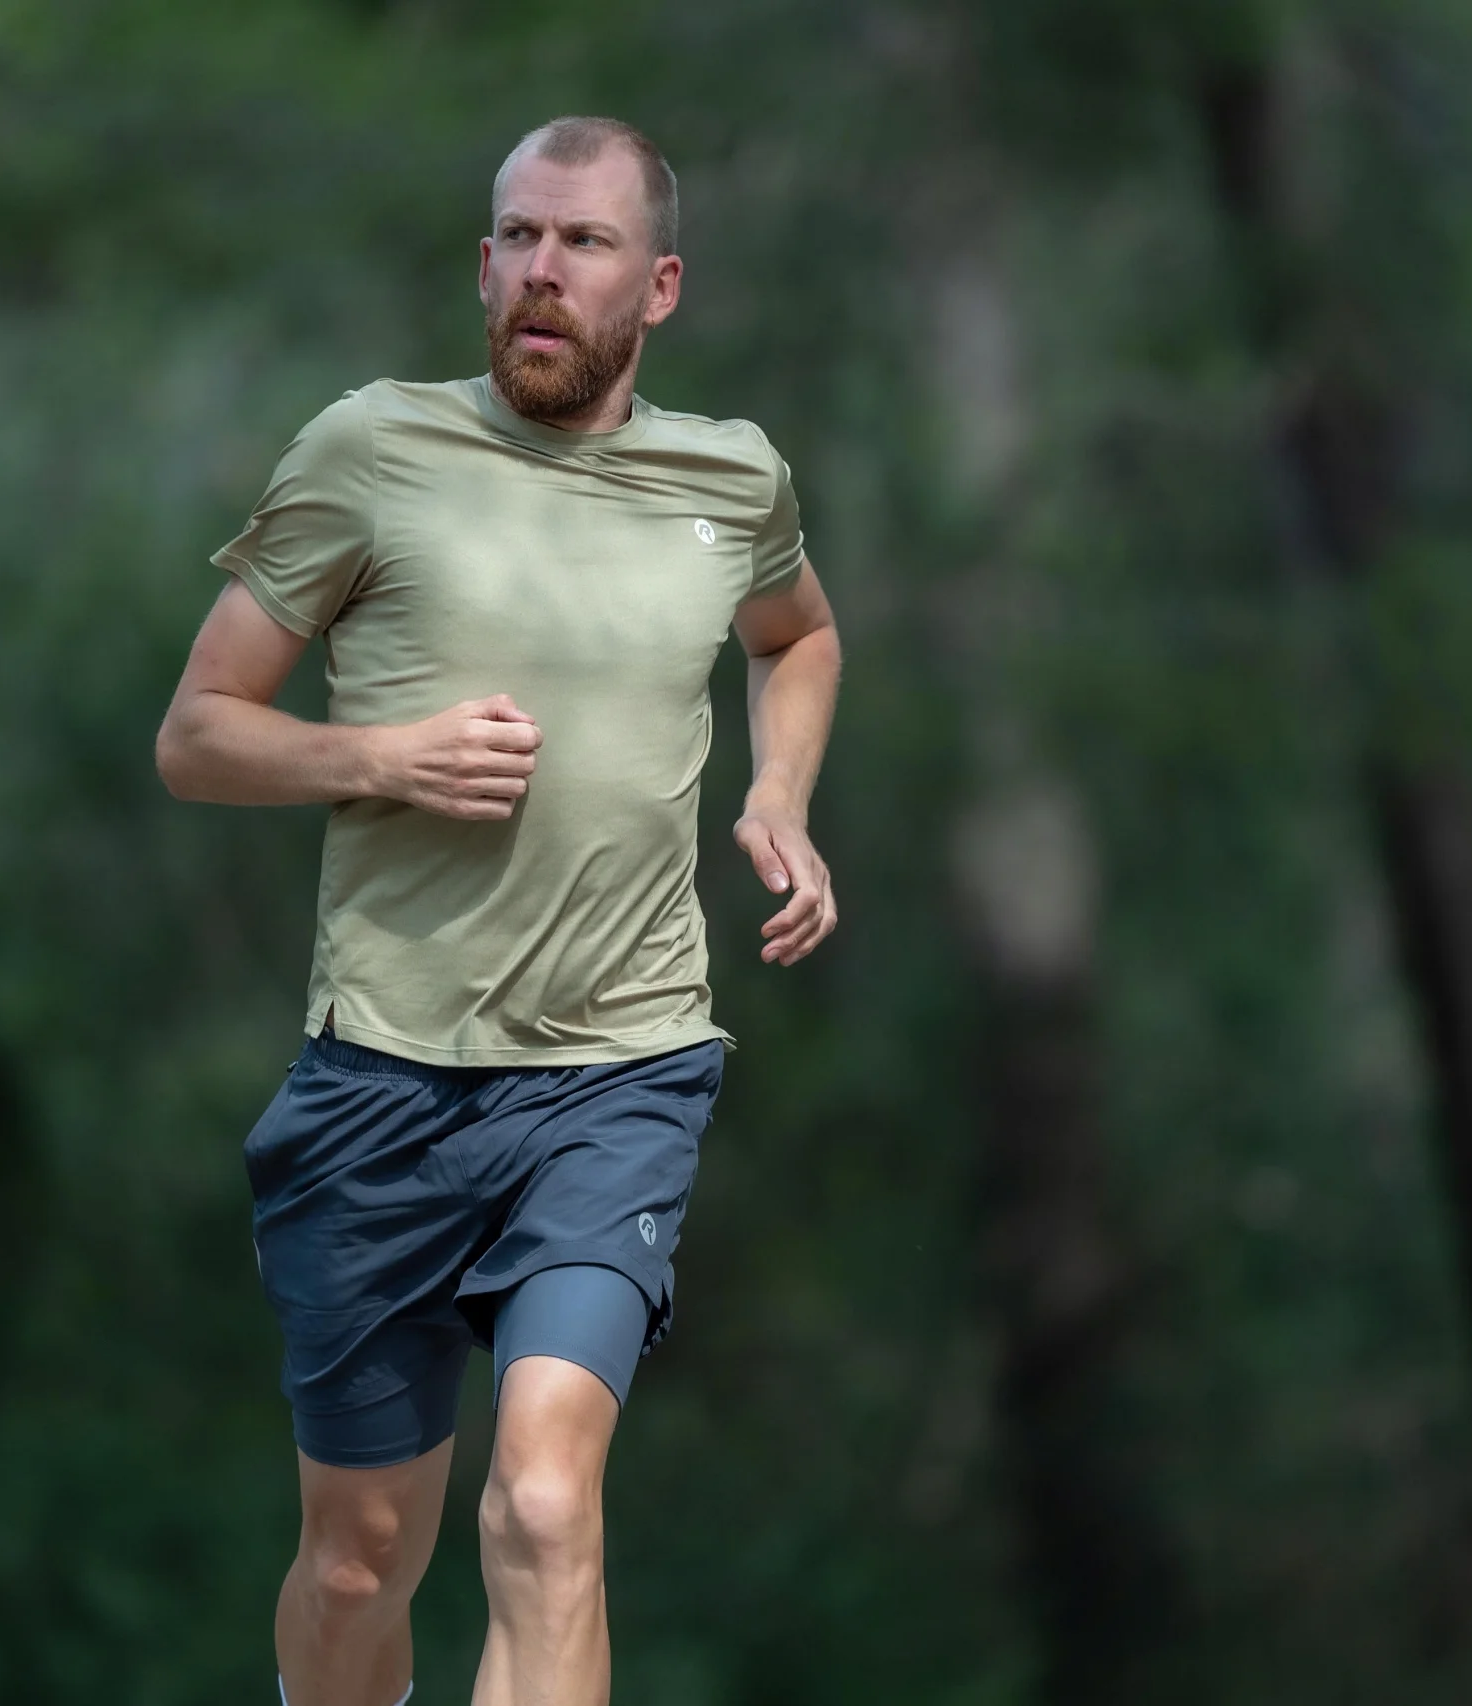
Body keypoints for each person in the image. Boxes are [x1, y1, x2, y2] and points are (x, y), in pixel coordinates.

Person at [157, 113, 841, 1706]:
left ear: (657, 286)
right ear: (483, 265)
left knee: (543, 1501)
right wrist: (380, 755)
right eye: (520, 238)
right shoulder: (368, 452)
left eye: (584, 242)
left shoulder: (730, 478)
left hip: (618, 1076)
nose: (544, 270)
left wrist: (779, 793)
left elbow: (798, 637)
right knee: (357, 1561)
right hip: (382, 1080)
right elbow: (196, 734)